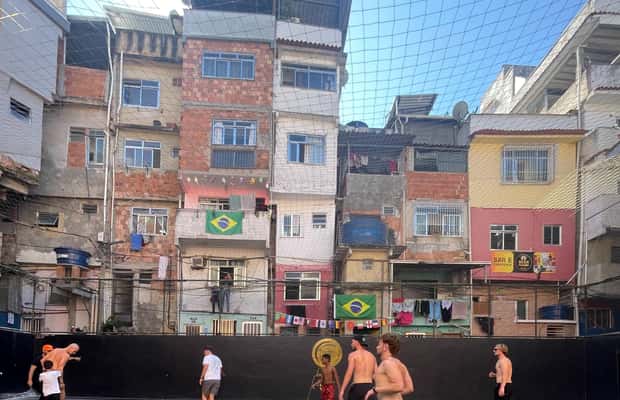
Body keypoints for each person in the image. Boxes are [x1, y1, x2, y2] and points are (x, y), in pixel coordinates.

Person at [364, 333, 406, 400]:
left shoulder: (388, 363)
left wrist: (375, 390)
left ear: (385, 347)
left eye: (379, 344)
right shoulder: (386, 363)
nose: (376, 347)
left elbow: (399, 386)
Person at [339, 335, 377, 400]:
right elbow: (377, 375)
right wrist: (376, 388)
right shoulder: (372, 356)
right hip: (370, 387)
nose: (351, 344)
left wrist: (342, 390)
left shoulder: (353, 355)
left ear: (357, 342)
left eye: (352, 342)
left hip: (357, 387)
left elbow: (349, 374)